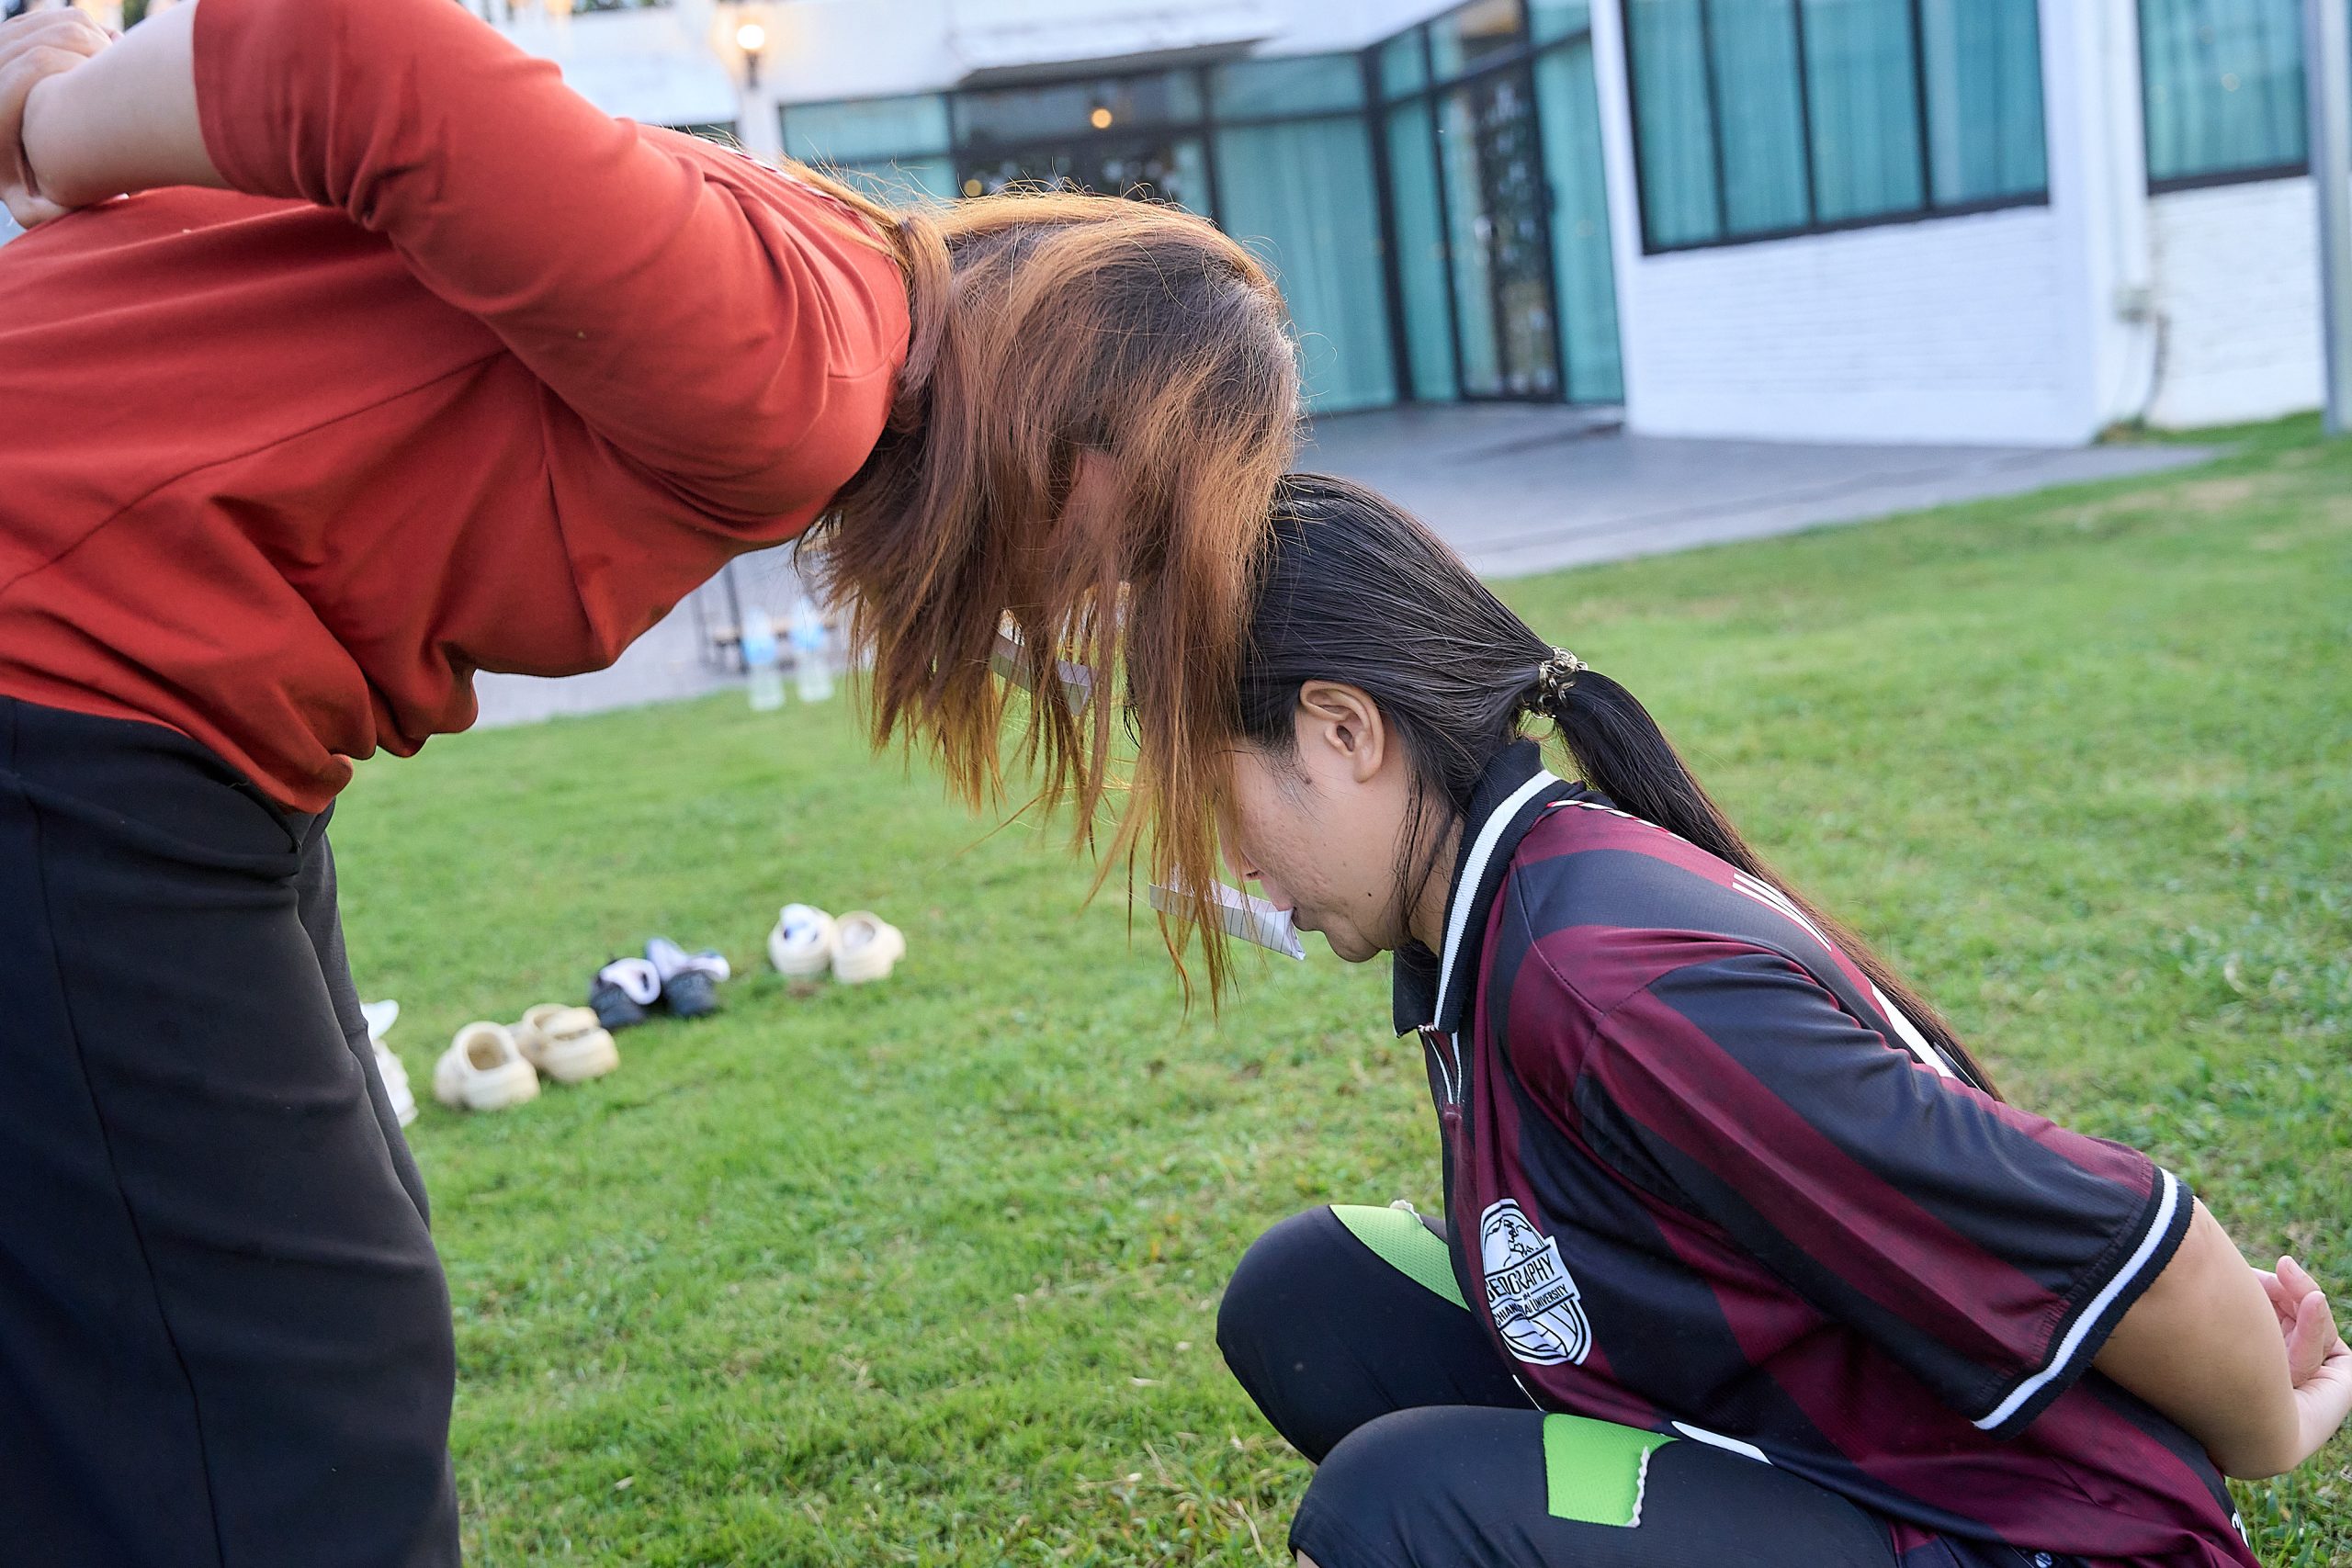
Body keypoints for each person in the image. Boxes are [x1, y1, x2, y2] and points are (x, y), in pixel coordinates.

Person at [0, 2, 1295, 1562]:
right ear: (1085, 434)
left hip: (174, 714)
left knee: (246, 1326)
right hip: (74, 684)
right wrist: (46, 113)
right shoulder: (799, 364)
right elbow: (352, 54)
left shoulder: (825, 305)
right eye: (1138, 540)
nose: (1095, 586)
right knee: (295, 1417)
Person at [1206, 475, 2350, 1568]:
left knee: (1392, 1509)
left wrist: (2275, 1427)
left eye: (1219, 798)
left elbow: (2138, 1246)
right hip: (1808, 1459)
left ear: (1345, 731)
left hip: (2024, 1540)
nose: (1231, 859)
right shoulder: (1499, 903)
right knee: (1311, 1297)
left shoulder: (1610, 988)